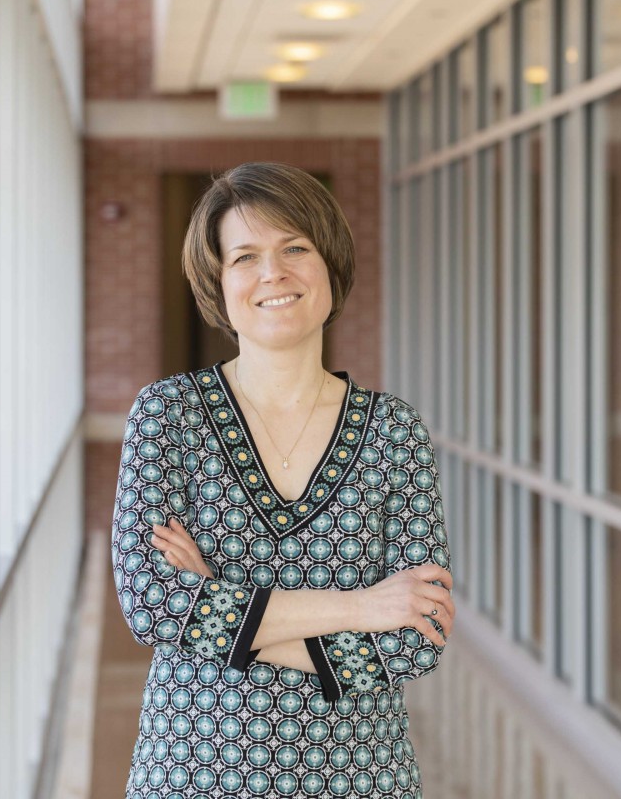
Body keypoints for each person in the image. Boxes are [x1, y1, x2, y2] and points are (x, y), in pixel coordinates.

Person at [111, 161, 454, 799]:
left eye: (295, 247)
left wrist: (216, 606)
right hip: (195, 772)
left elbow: (414, 642)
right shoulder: (169, 417)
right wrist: (362, 608)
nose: (273, 273)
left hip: (362, 777)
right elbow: (154, 604)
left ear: (330, 265)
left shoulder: (393, 432)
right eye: (245, 256)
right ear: (218, 281)